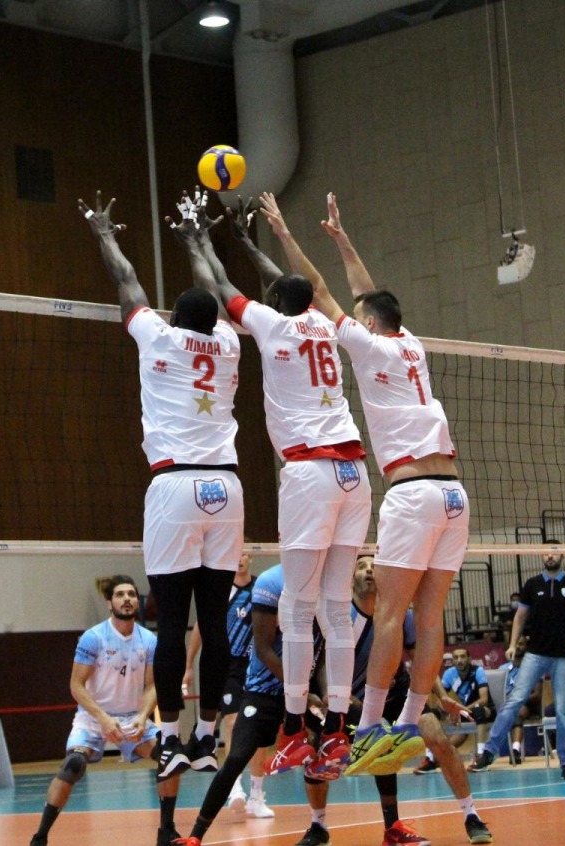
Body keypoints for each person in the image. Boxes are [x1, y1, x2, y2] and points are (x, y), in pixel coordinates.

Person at [257, 191, 469, 778]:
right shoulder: (411, 343)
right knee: (430, 619)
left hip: (413, 493)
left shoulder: (367, 344)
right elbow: (368, 294)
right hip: (455, 495)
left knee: (388, 615)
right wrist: (344, 239)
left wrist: (285, 235)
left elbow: (320, 290)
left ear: (367, 324)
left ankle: (371, 725)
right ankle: (409, 722)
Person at [171, 189, 369, 780]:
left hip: (310, 474)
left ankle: (294, 731)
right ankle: (337, 731)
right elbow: (284, 284)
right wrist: (247, 238)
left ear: (276, 303)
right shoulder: (320, 323)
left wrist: (203, 241)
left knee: (296, 609)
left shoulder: (272, 325)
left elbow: (221, 286)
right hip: (355, 474)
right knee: (337, 609)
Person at [78, 192, 244, 782]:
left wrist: (105, 235)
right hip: (226, 486)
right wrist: (198, 241)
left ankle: (170, 739)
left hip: (175, 484)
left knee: (171, 622)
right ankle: (207, 738)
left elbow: (127, 282)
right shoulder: (230, 344)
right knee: (215, 622)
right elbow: (214, 288)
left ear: (175, 317)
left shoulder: (159, 336)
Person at [330, 556, 492, 845]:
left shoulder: (398, 614)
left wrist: (442, 697)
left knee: (437, 737)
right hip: (357, 698)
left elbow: (422, 661)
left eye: (373, 566)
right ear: (350, 578)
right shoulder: (341, 618)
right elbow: (327, 668)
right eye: (361, 566)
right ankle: (381, 827)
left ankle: (471, 815)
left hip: (398, 693)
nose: (369, 570)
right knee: (376, 743)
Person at [170, 562, 324, 846]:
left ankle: (318, 824)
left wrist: (325, 694)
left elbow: (325, 652)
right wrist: (189, 665)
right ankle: (196, 834)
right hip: (262, 688)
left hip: (304, 689)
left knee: (336, 739)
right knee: (236, 755)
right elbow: (262, 648)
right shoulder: (270, 584)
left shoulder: (330, 588)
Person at [30, 575, 181, 846]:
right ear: (109, 602)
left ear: (137, 601)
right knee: (73, 765)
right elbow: (76, 685)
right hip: (94, 717)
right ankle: (40, 837)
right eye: (120, 595)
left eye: (131, 594)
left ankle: (166, 832)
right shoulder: (94, 637)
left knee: (170, 758)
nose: (127, 599)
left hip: (132, 718)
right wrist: (103, 719)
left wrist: (142, 716)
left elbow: (152, 686)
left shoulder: (149, 640)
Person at [469, 544, 565, 779]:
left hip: (564, 656)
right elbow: (520, 617)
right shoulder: (532, 584)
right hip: (535, 654)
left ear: (562, 555)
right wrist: (512, 644)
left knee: (563, 709)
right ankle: (489, 752)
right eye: (546, 552)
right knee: (514, 700)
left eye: (554, 551)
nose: (550, 555)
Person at [182, 545, 270, 813]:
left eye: (243, 554)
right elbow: (201, 626)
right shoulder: (219, 590)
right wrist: (188, 665)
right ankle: (235, 787)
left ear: (250, 558)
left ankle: (257, 795)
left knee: (260, 729)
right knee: (232, 721)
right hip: (227, 664)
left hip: (257, 664)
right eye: (234, 554)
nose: (239, 559)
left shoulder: (262, 589)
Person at [428, 648, 494, 762]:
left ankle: (481, 755)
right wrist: (448, 710)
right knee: (431, 714)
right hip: (464, 713)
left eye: (463, 657)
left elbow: (484, 700)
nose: (459, 660)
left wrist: (459, 711)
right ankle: (431, 757)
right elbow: (440, 700)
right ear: (453, 661)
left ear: (469, 659)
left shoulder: (478, 671)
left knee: (479, 711)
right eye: (456, 657)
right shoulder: (449, 674)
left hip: (485, 710)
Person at [487, 633, 541, 766]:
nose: (517, 647)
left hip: (526, 704)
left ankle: (515, 750)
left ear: (527, 647)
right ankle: (483, 752)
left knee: (514, 712)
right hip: (503, 705)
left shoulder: (534, 668)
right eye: (515, 643)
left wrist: (517, 699)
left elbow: (537, 695)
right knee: (484, 713)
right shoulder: (502, 669)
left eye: (521, 644)